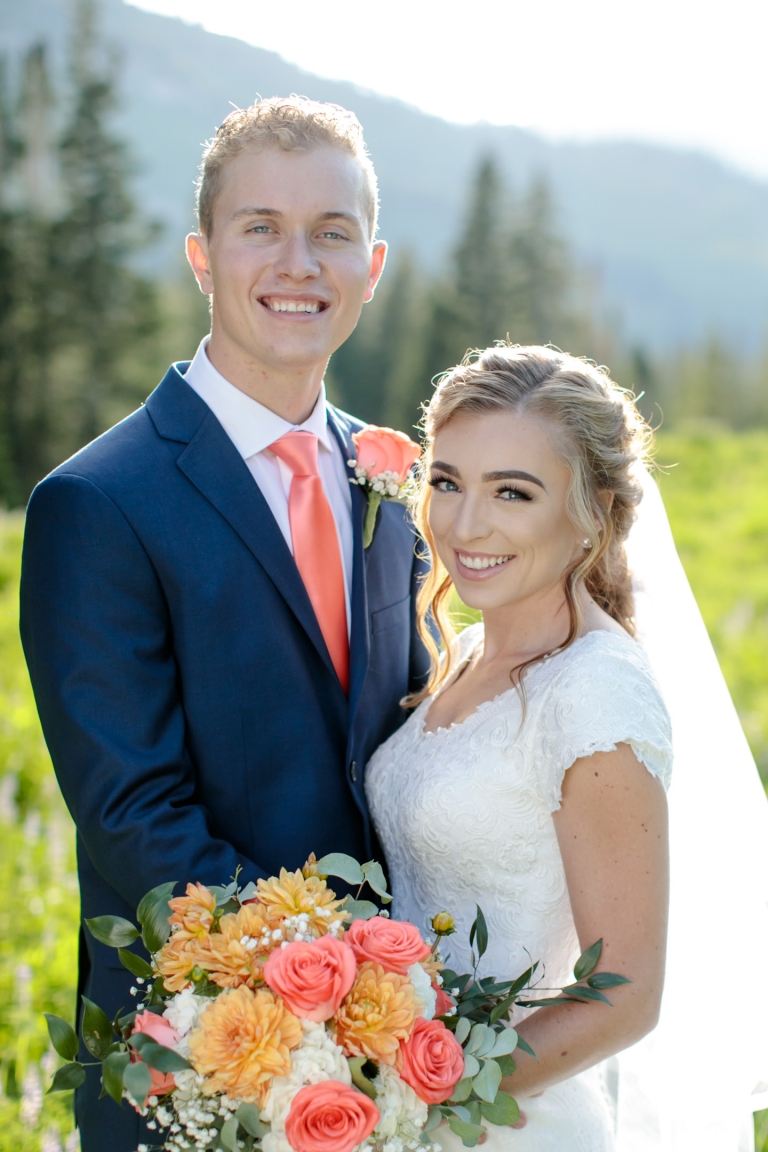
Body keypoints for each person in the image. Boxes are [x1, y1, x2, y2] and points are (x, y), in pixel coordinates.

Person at [20, 96, 428, 1152]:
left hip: (395, 1068)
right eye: (262, 228)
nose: (301, 262)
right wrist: (334, 989)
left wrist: (404, 1012)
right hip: (195, 1060)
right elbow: (134, 814)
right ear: (202, 256)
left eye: (332, 233)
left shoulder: (398, 485)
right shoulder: (100, 504)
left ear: (371, 268)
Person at [367, 344, 673, 1151]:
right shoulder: (468, 654)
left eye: (513, 492)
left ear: (593, 511)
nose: (466, 525)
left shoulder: (593, 692)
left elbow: (626, 995)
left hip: (503, 1122)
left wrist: (414, 1098)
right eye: (447, 481)